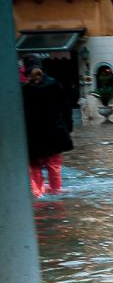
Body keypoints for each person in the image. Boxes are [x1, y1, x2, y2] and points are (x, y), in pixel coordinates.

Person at [21, 56, 73, 197]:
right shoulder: (54, 85)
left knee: (35, 167)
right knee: (53, 166)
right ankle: (56, 194)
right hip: (54, 134)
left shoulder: (22, 90)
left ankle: (38, 195)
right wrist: (68, 128)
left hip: (32, 136)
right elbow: (66, 109)